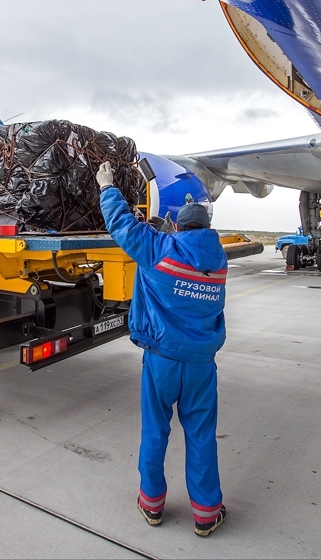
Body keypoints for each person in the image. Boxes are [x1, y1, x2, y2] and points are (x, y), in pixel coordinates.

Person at [96, 161, 228, 538]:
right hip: (202, 363)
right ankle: (206, 513)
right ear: (207, 228)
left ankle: (152, 505)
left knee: (155, 431)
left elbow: (122, 225)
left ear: (176, 226)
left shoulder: (159, 250)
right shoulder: (218, 260)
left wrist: (108, 186)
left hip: (162, 360)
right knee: (201, 435)